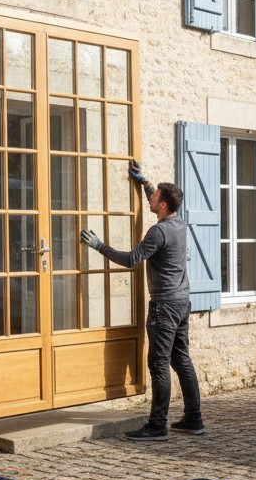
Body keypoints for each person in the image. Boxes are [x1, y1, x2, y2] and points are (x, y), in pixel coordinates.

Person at [80, 162, 204, 441]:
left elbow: (131, 260)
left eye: (154, 196)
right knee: (181, 359)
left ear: (162, 205)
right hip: (182, 302)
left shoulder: (158, 232)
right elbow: (158, 196)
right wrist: (146, 183)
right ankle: (194, 419)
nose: (151, 197)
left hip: (164, 306)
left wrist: (100, 246)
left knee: (159, 364)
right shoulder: (179, 224)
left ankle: (157, 426)